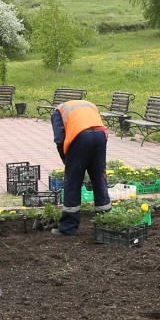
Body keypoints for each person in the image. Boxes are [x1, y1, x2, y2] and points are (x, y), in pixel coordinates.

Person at [50, 99, 111, 236]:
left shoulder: (58, 112)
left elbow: (59, 139)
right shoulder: (90, 105)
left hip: (81, 138)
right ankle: (105, 224)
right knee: (99, 179)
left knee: (73, 183)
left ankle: (68, 228)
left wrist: (65, 158)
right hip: (101, 136)